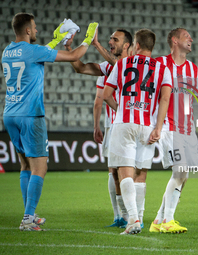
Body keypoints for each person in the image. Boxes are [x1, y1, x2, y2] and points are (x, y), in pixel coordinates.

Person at [2, 13, 98, 231]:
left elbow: (38, 54)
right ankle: (27, 218)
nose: (36, 30)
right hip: (30, 115)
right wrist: (89, 38)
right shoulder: (33, 51)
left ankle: (30, 213)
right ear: (27, 30)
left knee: (25, 164)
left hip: (10, 114)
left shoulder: (8, 51)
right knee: (40, 167)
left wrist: (56, 40)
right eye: (34, 28)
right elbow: (75, 56)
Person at [149, 28, 198, 234]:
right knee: (180, 171)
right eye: (186, 36)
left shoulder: (193, 69)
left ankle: (158, 219)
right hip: (167, 127)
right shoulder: (159, 65)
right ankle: (168, 219)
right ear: (174, 41)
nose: (191, 39)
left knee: (184, 175)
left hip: (188, 129)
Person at [103, 28, 173, 235]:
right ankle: (140, 218)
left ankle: (132, 219)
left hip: (124, 123)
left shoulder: (122, 64)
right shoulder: (162, 68)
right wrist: (158, 128)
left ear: (137, 45)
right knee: (141, 174)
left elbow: (106, 95)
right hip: (147, 126)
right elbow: (165, 98)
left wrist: (122, 109)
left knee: (124, 173)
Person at [65, 28, 133, 228]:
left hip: (132, 123)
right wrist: (69, 49)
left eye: (115, 39)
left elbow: (120, 65)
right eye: (109, 38)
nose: (110, 41)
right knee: (113, 171)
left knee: (130, 172)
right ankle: (120, 216)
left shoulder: (133, 62)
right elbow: (81, 68)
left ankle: (133, 214)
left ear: (127, 45)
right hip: (112, 125)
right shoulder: (107, 66)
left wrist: (96, 44)